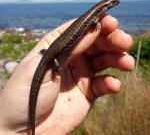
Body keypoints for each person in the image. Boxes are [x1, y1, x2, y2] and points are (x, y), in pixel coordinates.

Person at [0, 14, 135, 135]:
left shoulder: (93, 17)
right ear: (105, 7)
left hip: (49, 54)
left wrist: (8, 130)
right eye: (112, 3)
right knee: (53, 65)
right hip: (52, 56)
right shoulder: (94, 18)